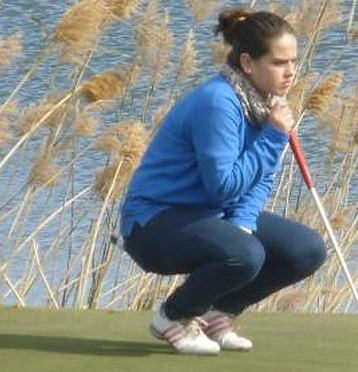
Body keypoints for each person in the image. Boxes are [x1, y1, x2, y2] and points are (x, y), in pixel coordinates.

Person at [120, 8, 327, 355]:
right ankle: (173, 316)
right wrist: (274, 136)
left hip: (206, 217)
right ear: (247, 63)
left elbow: (260, 180)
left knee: (306, 250)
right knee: (245, 254)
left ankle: (220, 312)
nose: (290, 72)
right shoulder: (219, 102)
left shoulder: (264, 103)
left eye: (294, 61)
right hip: (153, 224)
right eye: (279, 62)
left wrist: (243, 225)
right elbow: (223, 186)